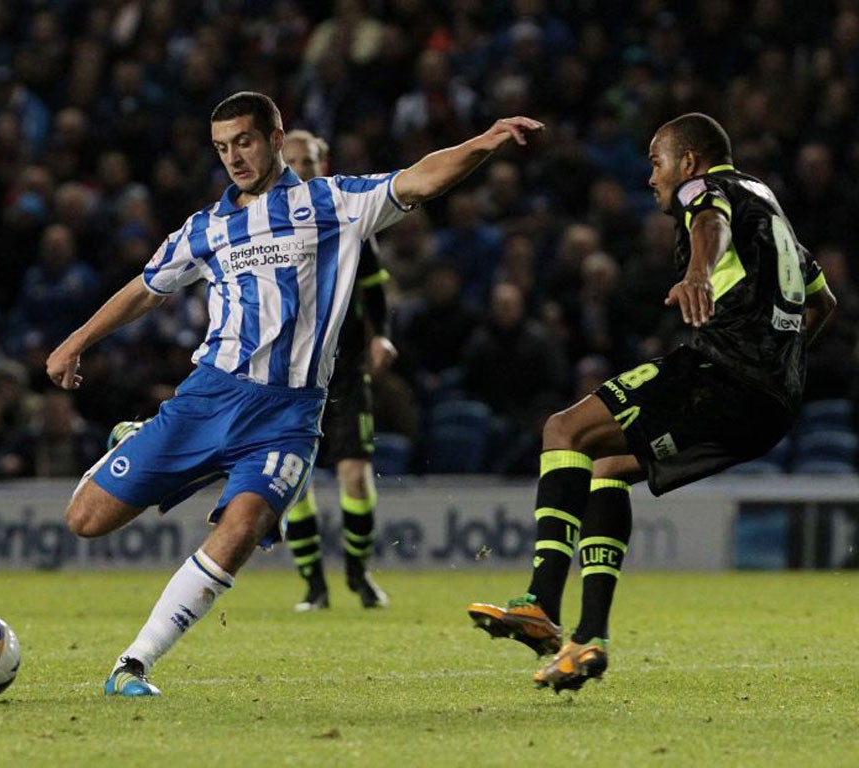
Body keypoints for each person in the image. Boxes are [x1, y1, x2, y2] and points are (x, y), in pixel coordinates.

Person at [46, 91, 544, 696]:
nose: (234, 157)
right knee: (85, 522)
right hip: (209, 397)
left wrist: (485, 141)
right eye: (222, 148)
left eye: (245, 142)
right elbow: (147, 289)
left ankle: (134, 664)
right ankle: (133, 438)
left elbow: (419, 180)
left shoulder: (330, 203)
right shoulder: (206, 229)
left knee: (242, 527)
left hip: (289, 414)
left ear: (277, 139)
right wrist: (77, 340)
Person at [468, 113, 837, 692]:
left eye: (656, 161)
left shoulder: (707, 188)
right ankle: (588, 639)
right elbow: (823, 304)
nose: (652, 177)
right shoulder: (769, 210)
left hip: (723, 372)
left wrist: (697, 274)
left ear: (688, 161)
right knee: (608, 468)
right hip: (772, 404)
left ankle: (539, 600)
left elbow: (706, 219)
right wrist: (778, 358)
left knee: (563, 431)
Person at [280, 128, 396, 611]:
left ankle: (357, 573)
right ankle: (313, 584)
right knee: (294, 483)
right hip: (286, 375)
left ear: (322, 163)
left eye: (308, 161)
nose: (301, 171)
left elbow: (373, 288)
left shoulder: (345, 221)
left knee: (355, 476)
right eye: (293, 163)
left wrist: (380, 334)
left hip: (343, 369)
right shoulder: (263, 226)